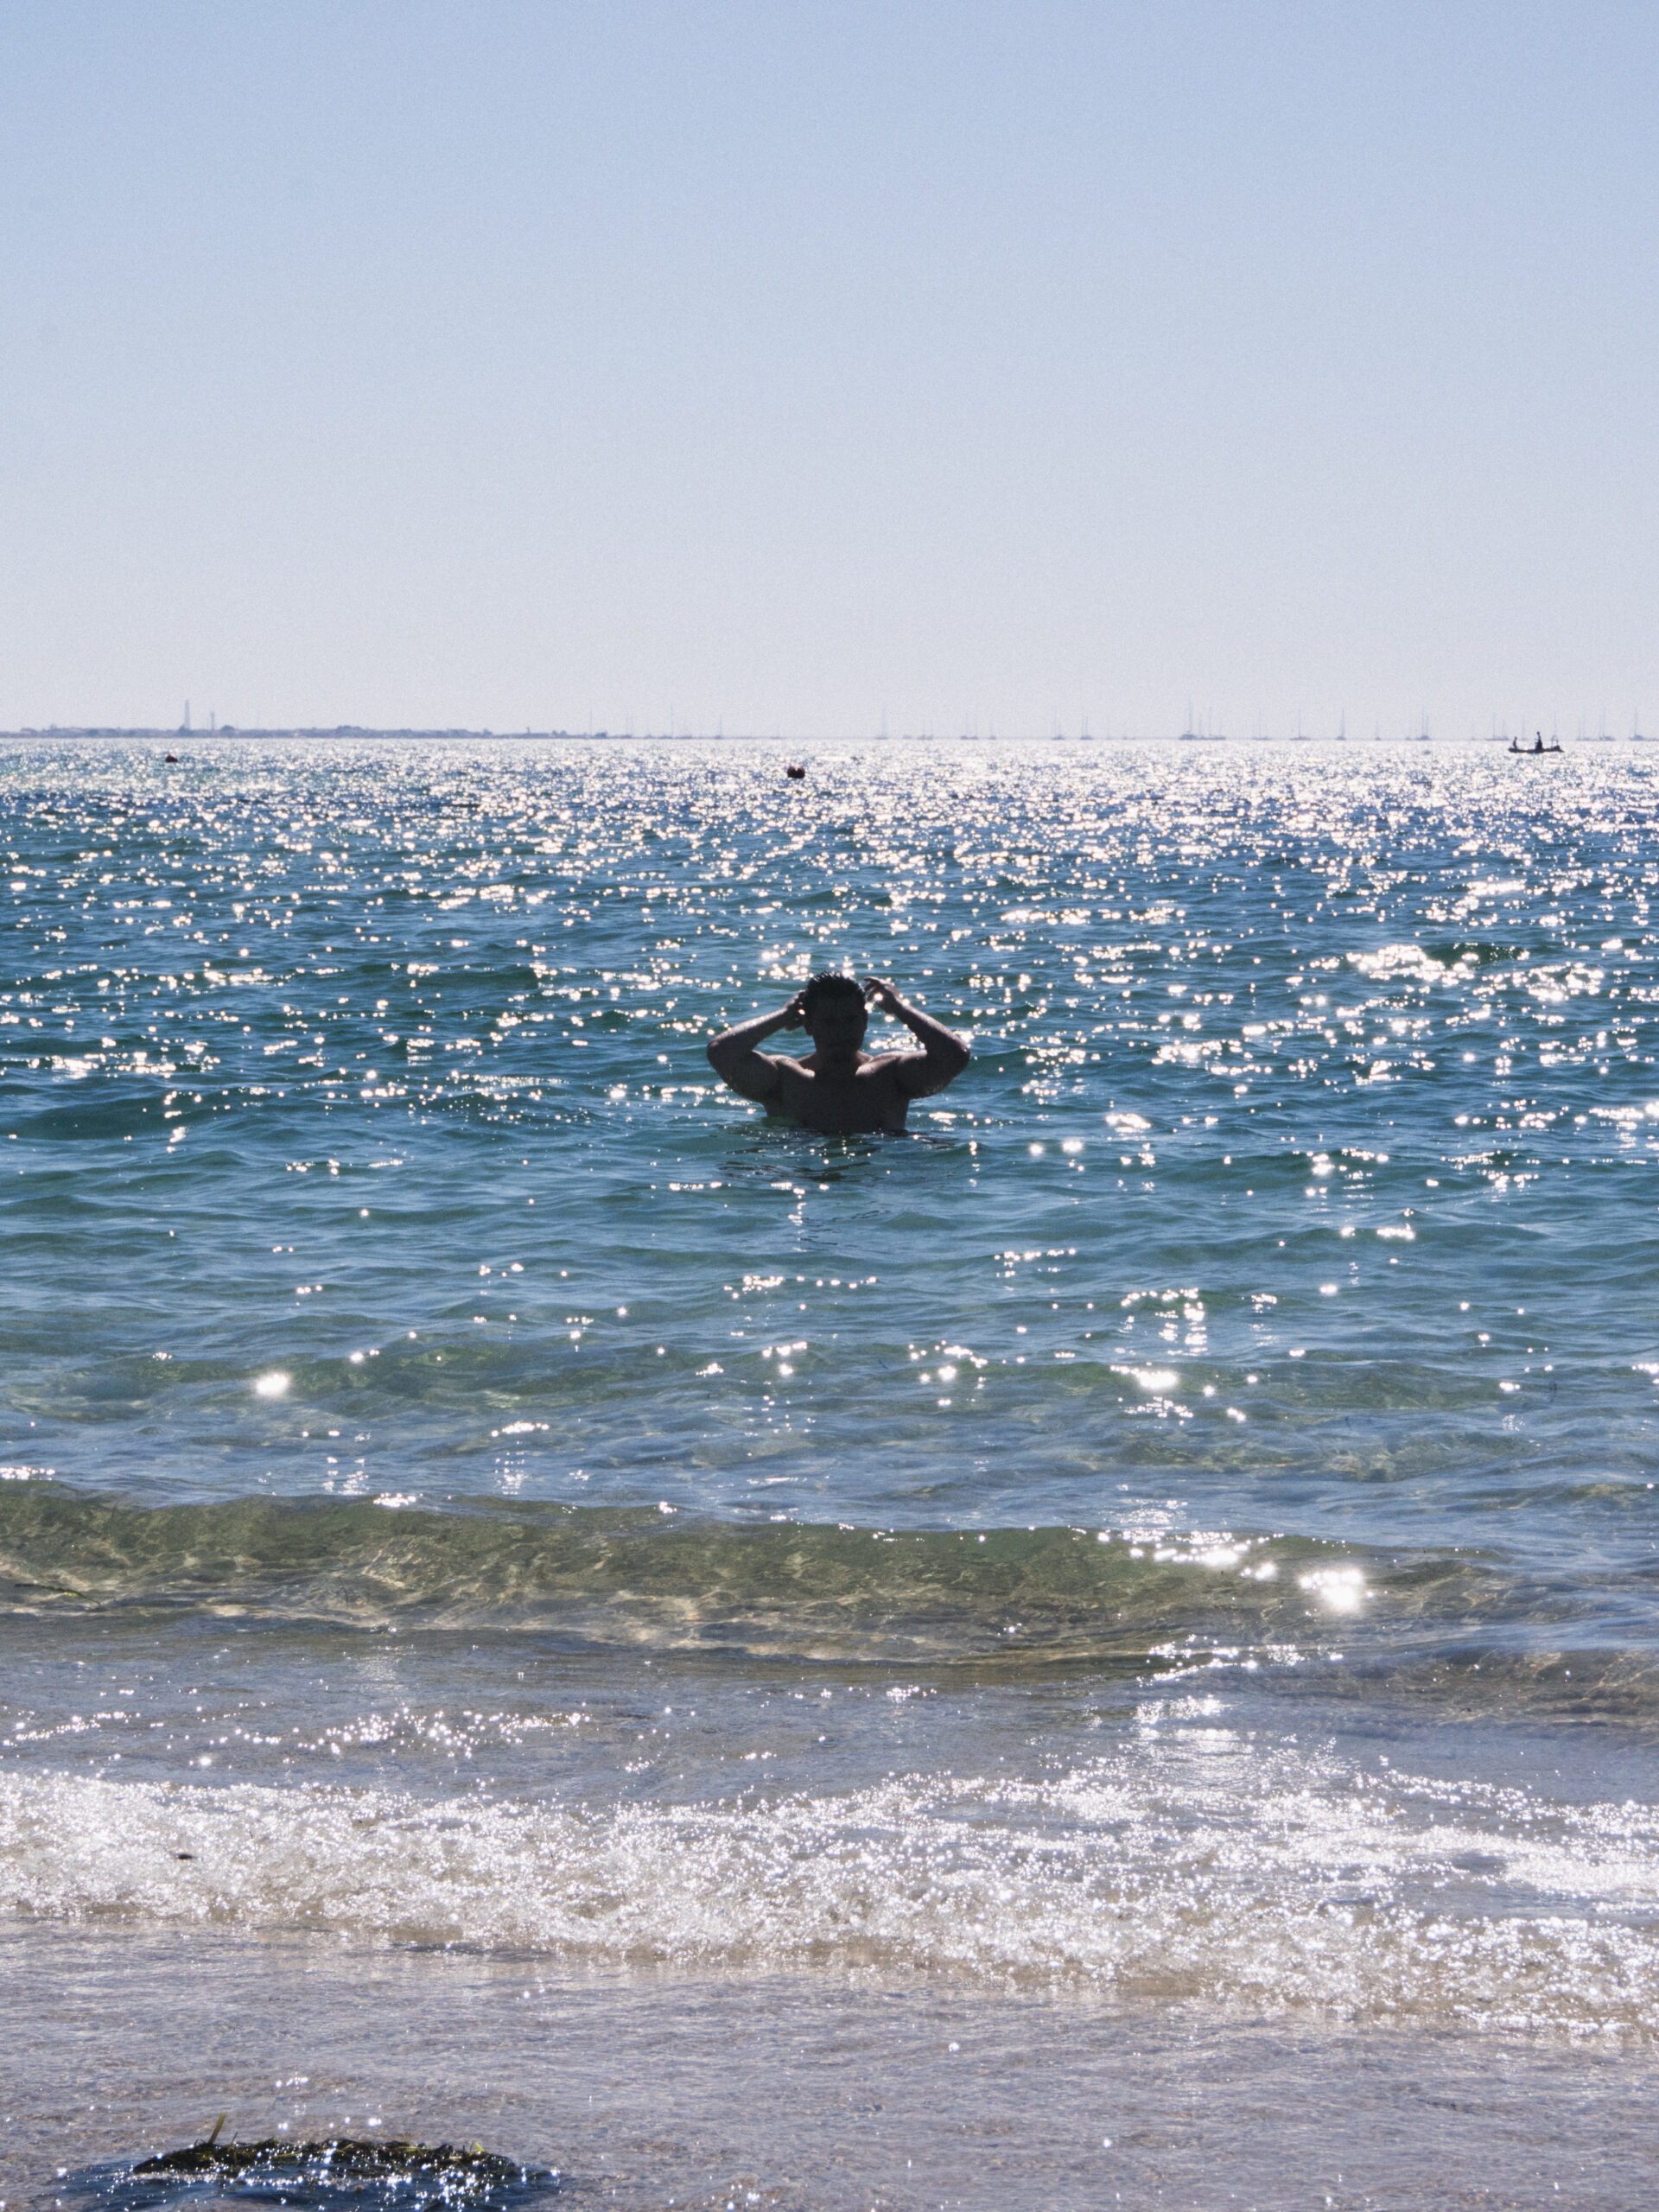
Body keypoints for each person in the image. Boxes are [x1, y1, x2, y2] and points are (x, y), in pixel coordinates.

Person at [706, 970, 969, 1134]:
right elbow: (721, 1052)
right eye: (829, 1023)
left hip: (879, 1191)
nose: (841, 1032)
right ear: (808, 1026)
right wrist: (782, 1016)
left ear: (865, 1022)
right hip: (804, 1188)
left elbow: (955, 1056)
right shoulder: (787, 1079)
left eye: (850, 1021)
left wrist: (899, 1008)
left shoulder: (889, 1075)